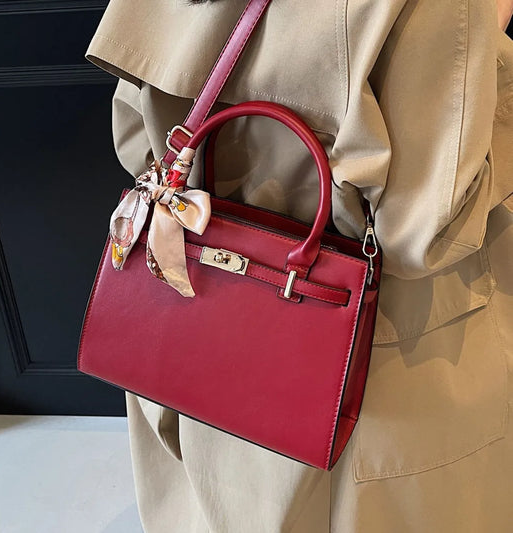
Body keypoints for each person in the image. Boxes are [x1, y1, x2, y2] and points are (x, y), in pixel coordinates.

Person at [86, 1, 513, 531]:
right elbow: (423, 232)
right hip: (374, 353)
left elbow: (135, 139)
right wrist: (489, 37)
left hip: (189, 310)